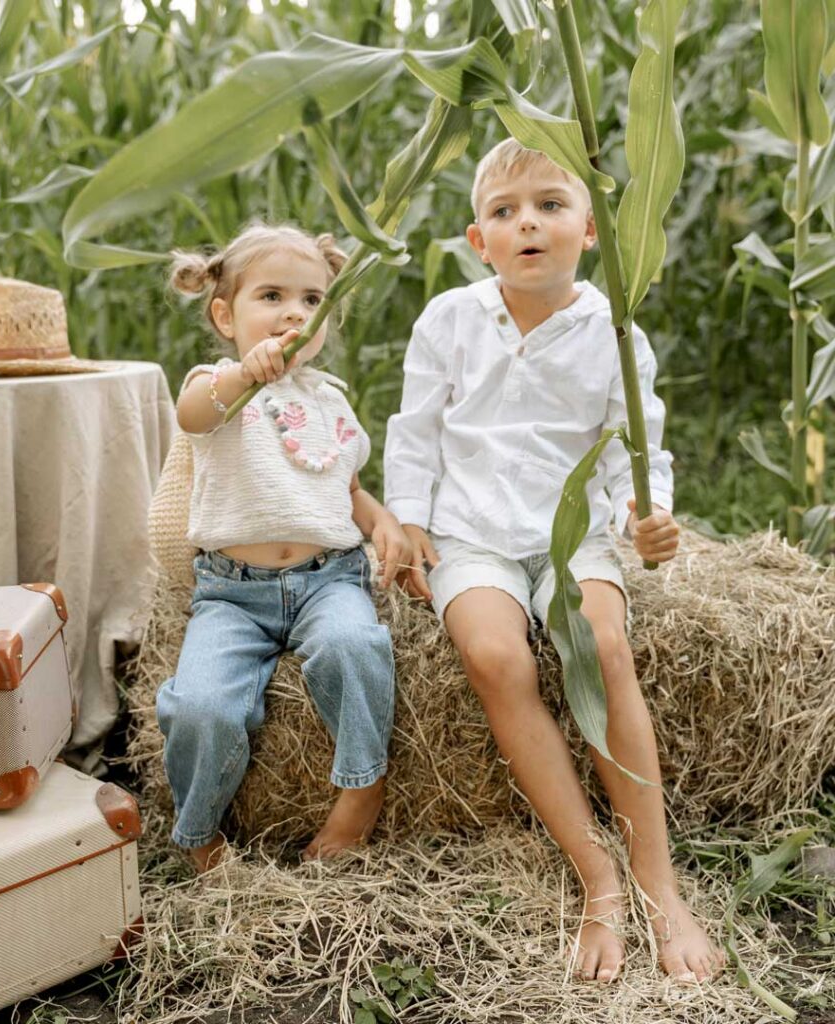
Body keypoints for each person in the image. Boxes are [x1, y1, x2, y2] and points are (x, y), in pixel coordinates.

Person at [384, 139, 725, 983]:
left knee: (604, 647)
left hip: (574, 531)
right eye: (504, 212)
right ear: (478, 240)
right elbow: (416, 431)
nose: (526, 221)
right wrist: (409, 521)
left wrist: (645, 518)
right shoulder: (450, 320)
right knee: (497, 656)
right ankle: (598, 877)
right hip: (471, 531)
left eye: (548, 204)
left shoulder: (614, 330)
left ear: (593, 229)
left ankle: (659, 881)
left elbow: (630, 456)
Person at [158, 224, 410, 873]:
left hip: (329, 579)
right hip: (231, 594)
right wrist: (244, 371)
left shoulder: (330, 401)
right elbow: (193, 416)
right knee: (202, 706)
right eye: (271, 296)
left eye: (311, 301)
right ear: (224, 314)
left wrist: (379, 518)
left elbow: (344, 483)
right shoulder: (216, 385)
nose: (294, 313)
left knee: (356, 647)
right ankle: (198, 830)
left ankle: (360, 786)